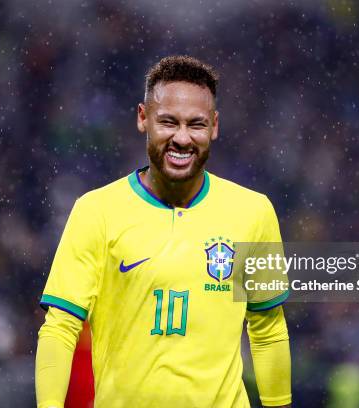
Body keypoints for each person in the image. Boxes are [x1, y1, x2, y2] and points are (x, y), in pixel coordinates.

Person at [35, 55, 291, 408]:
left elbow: (268, 329)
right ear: (143, 118)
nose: (182, 138)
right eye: (168, 122)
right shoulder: (97, 211)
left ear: (214, 126)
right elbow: (60, 327)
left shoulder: (253, 212)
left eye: (196, 124)